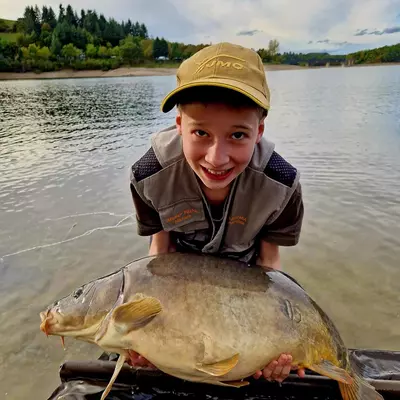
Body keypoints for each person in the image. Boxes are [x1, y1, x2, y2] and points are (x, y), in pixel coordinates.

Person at [129, 42, 305, 383]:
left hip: (246, 283)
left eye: (237, 135)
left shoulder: (282, 184)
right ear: (179, 125)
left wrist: (271, 341)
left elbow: (269, 268)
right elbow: (160, 257)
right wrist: (150, 334)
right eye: (200, 133)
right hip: (182, 283)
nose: (216, 157)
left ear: (259, 132)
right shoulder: (148, 175)